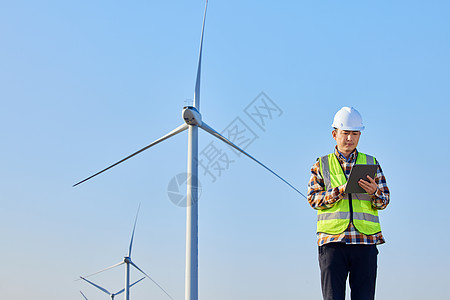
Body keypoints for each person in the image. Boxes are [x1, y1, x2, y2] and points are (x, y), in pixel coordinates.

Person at [307, 106, 390, 300]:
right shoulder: (321, 164)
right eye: (345, 133)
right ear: (334, 134)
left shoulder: (371, 163)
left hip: (365, 241)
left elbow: (384, 200)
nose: (350, 138)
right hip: (333, 243)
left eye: (355, 133)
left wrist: (374, 192)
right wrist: (340, 191)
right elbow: (313, 199)